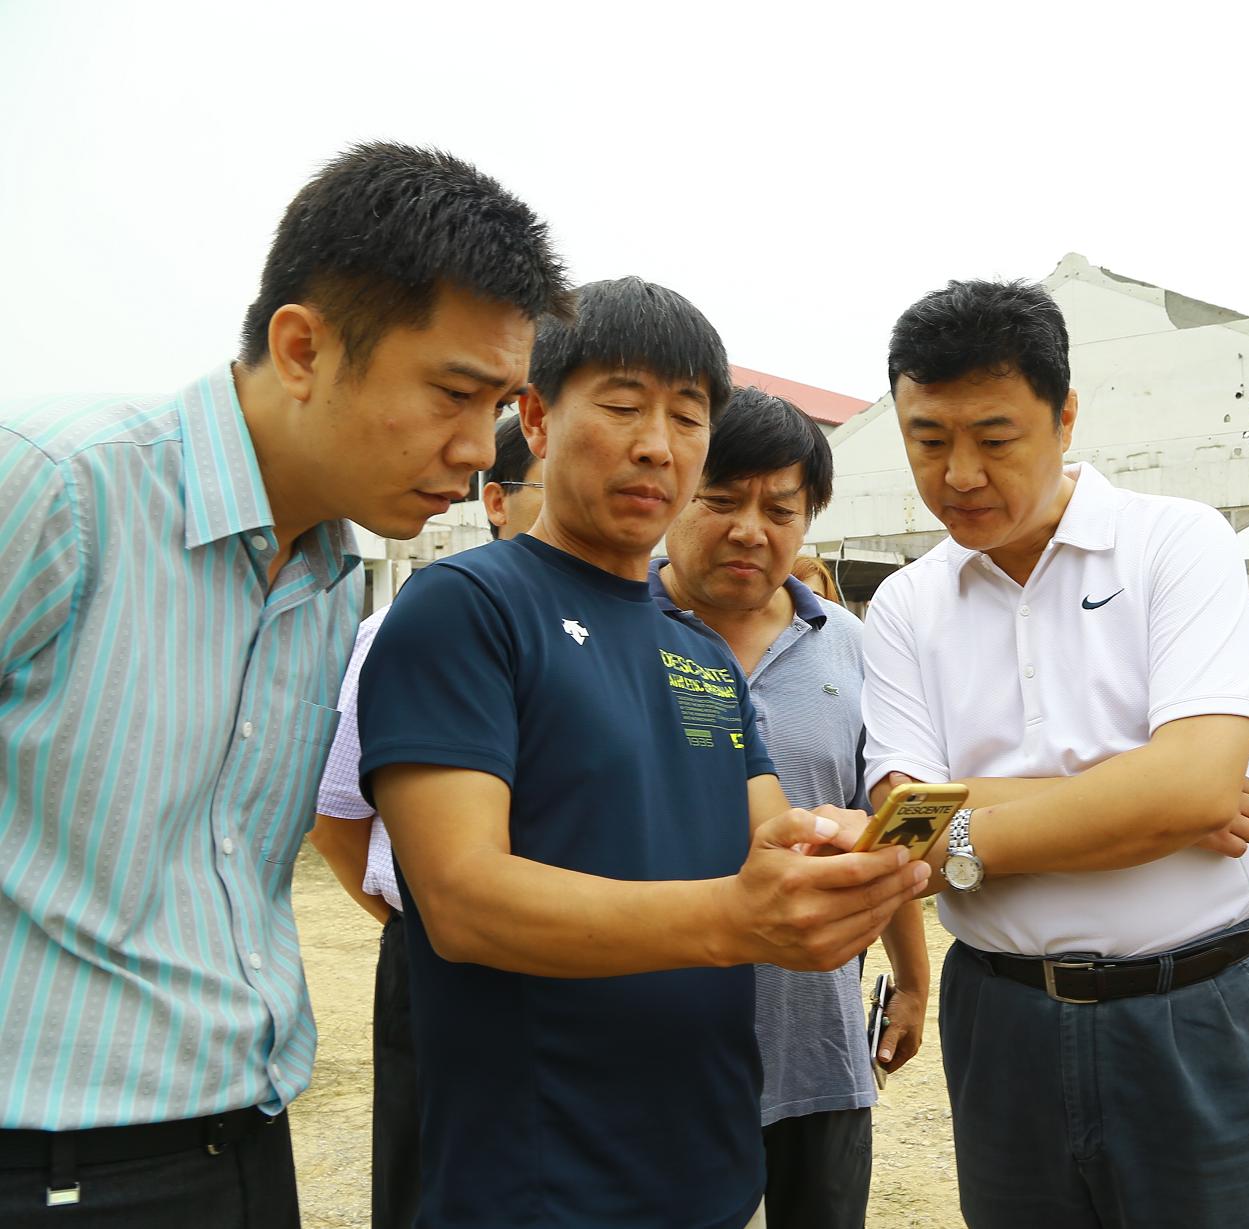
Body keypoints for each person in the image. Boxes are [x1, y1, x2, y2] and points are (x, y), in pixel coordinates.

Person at [0, 142, 568, 1227]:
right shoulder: (53, 489)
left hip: (243, 1143)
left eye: (499, 401)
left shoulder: (325, 579)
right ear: (302, 345)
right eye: (453, 393)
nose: (474, 449)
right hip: (44, 1161)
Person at [356, 278, 929, 1229]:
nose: (657, 443)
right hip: (538, 1179)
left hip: (709, 1158)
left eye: (688, 416)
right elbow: (459, 902)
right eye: (622, 406)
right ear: (536, 418)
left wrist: (839, 854)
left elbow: (767, 835)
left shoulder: (698, 651)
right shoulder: (468, 608)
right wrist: (737, 918)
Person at [860, 278, 1249, 1228]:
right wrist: (1145, 792)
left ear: (1064, 418)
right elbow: (903, 832)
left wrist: (966, 832)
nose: (960, 473)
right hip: (1002, 1019)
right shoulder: (904, 606)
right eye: (927, 440)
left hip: (1194, 1006)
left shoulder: (1175, 545)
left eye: (995, 437)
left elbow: (1189, 788)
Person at [651, 386, 930, 1229]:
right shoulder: (619, 632)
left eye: (781, 507)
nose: (750, 529)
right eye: (722, 498)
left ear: (810, 517)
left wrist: (914, 980)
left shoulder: (852, 648)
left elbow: (872, 830)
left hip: (818, 1045)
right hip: (658, 1048)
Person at [307, 413, 543, 1229]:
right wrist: (414, 916)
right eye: (552, 482)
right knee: (425, 1175)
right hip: (435, 951)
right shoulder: (416, 623)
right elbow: (337, 818)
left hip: (578, 956)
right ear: (498, 501)